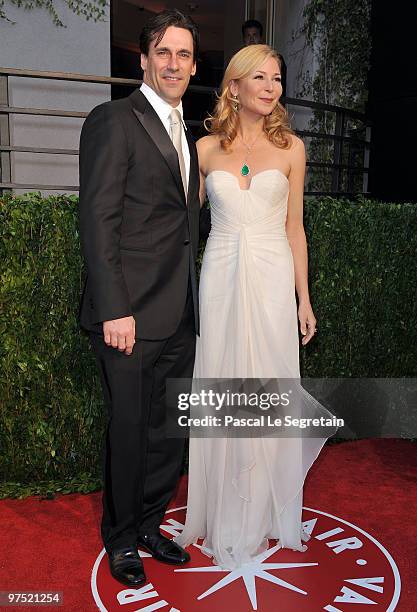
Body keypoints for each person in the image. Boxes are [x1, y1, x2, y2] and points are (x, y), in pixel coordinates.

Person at [174, 44, 337, 569]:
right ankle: (222, 511)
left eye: (277, 78)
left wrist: (303, 298)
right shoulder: (203, 151)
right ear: (235, 86)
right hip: (220, 279)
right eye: (260, 77)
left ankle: (265, 513)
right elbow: (177, 225)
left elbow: (295, 229)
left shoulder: (292, 148)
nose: (271, 86)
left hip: (270, 283)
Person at [78, 9, 200, 587]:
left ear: (194, 65)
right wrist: (113, 308)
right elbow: (98, 221)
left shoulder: (189, 133)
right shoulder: (113, 119)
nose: (174, 64)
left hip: (179, 313)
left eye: (184, 55)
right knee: (128, 431)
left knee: (165, 431)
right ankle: (122, 539)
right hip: (128, 315)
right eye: (164, 52)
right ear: (144, 59)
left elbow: (179, 225)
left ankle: (151, 525)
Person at [242, 19, 287, 98]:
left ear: (260, 38)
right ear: (244, 39)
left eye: (255, 35)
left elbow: (280, 87)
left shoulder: (274, 59)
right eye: (248, 36)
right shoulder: (239, 61)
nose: (251, 39)